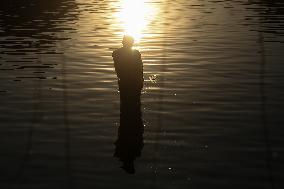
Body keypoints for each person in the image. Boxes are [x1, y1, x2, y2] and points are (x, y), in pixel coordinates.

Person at [112, 35, 144, 109]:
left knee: (124, 104)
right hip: (134, 82)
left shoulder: (116, 53)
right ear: (132, 43)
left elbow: (118, 68)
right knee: (136, 105)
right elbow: (140, 68)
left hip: (123, 81)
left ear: (123, 42)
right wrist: (141, 80)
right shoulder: (136, 53)